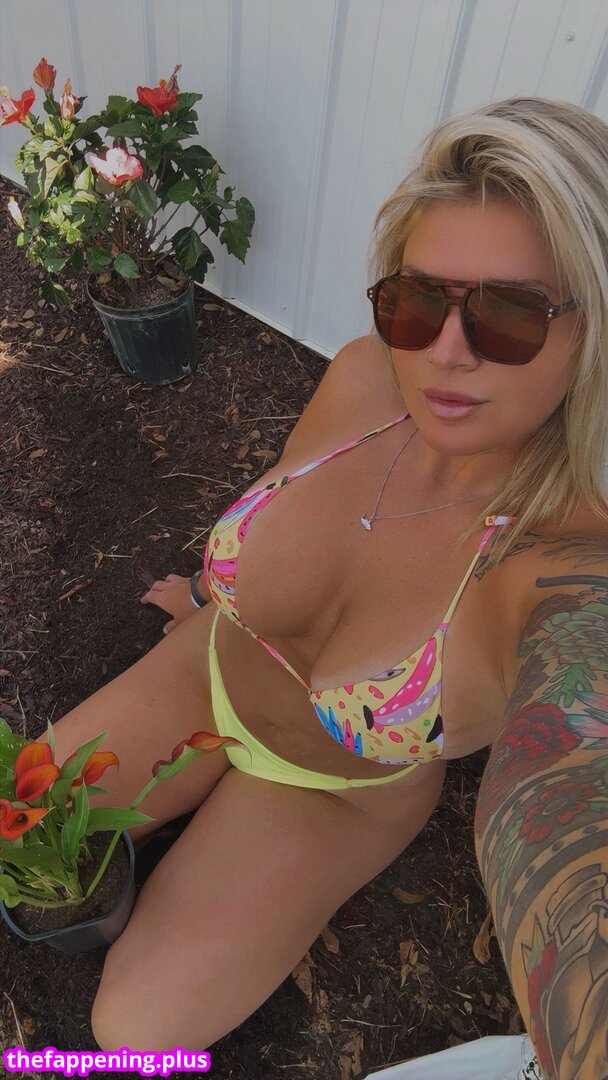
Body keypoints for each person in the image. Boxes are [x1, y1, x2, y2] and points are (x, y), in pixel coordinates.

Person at [50, 95, 608, 1078]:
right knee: (17, 830)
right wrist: (212, 601)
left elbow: (571, 807)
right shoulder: (361, 377)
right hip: (207, 670)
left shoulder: (568, 561)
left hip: (331, 790)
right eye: (418, 299)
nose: (444, 350)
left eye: (510, 314)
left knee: (132, 1033)